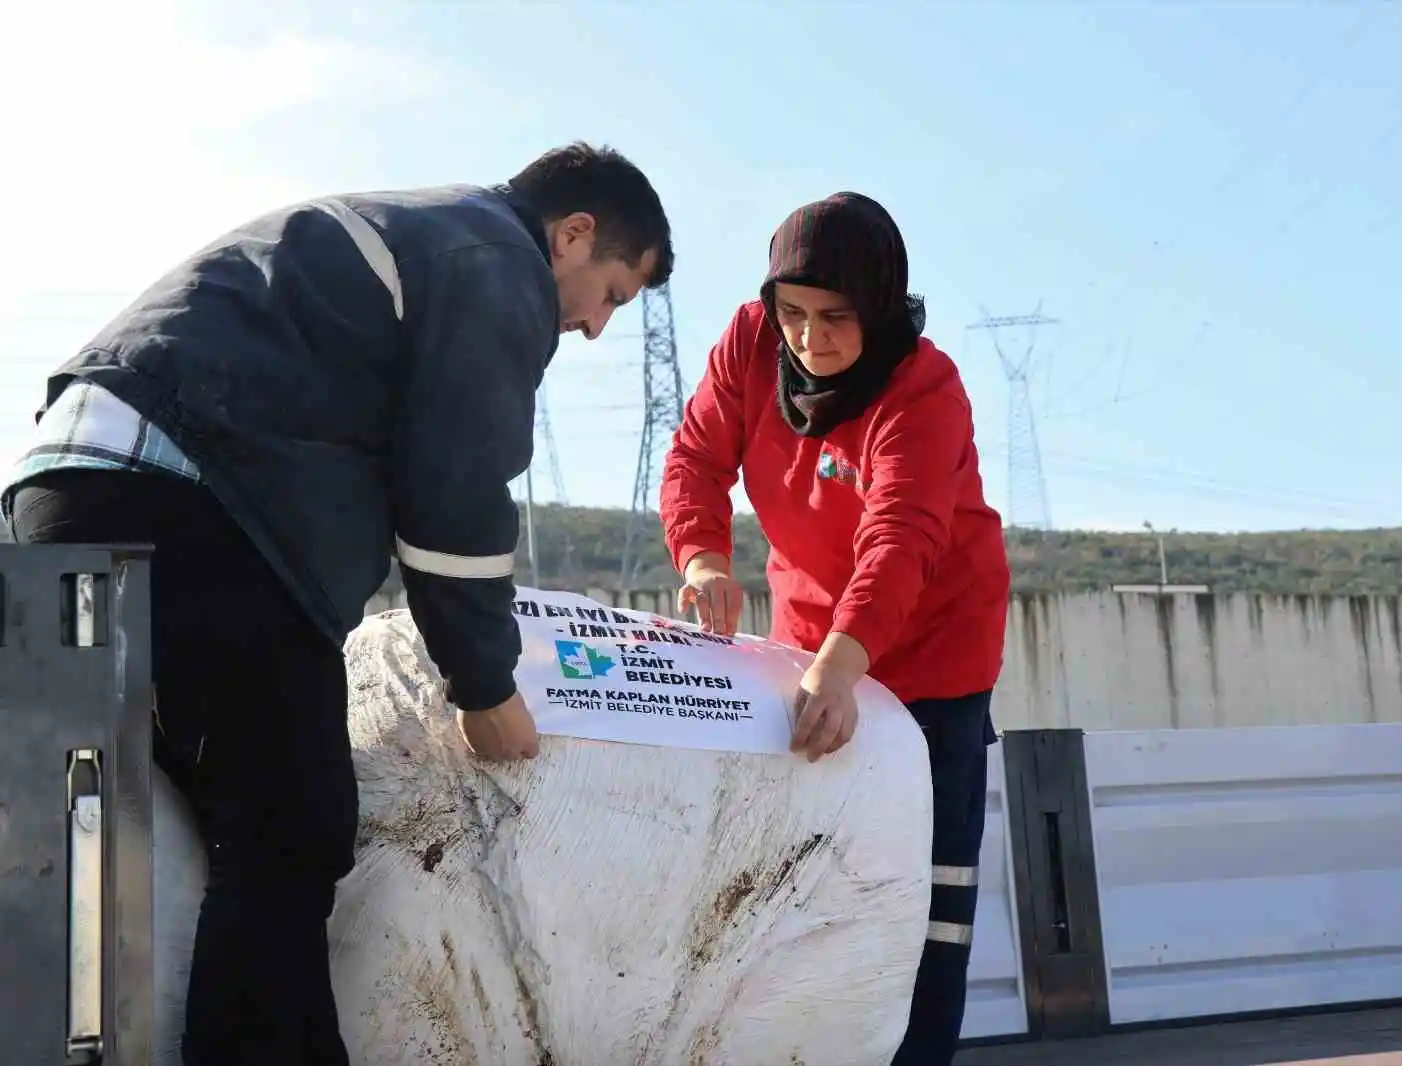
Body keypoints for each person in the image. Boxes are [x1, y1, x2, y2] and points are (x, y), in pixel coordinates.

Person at [1, 142, 673, 1066]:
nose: (598, 327)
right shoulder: (494, 262)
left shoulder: (415, 230)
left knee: (91, 836)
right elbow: (453, 496)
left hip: (61, 489)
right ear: (574, 234)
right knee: (291, 824)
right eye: (613, 294)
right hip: (193, 504)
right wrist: (486, 690)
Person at [659, 191, 1011, 1065]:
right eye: (794, 314)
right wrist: (703, 558)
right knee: (807, 884)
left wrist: (845, 667)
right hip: (808, 652)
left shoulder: (923, 390)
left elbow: (900, 539)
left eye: (837, 318)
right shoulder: (749, 342)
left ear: (882, 308)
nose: (810, 338)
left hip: (931, 656)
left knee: (927, 903)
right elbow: (697, 458)